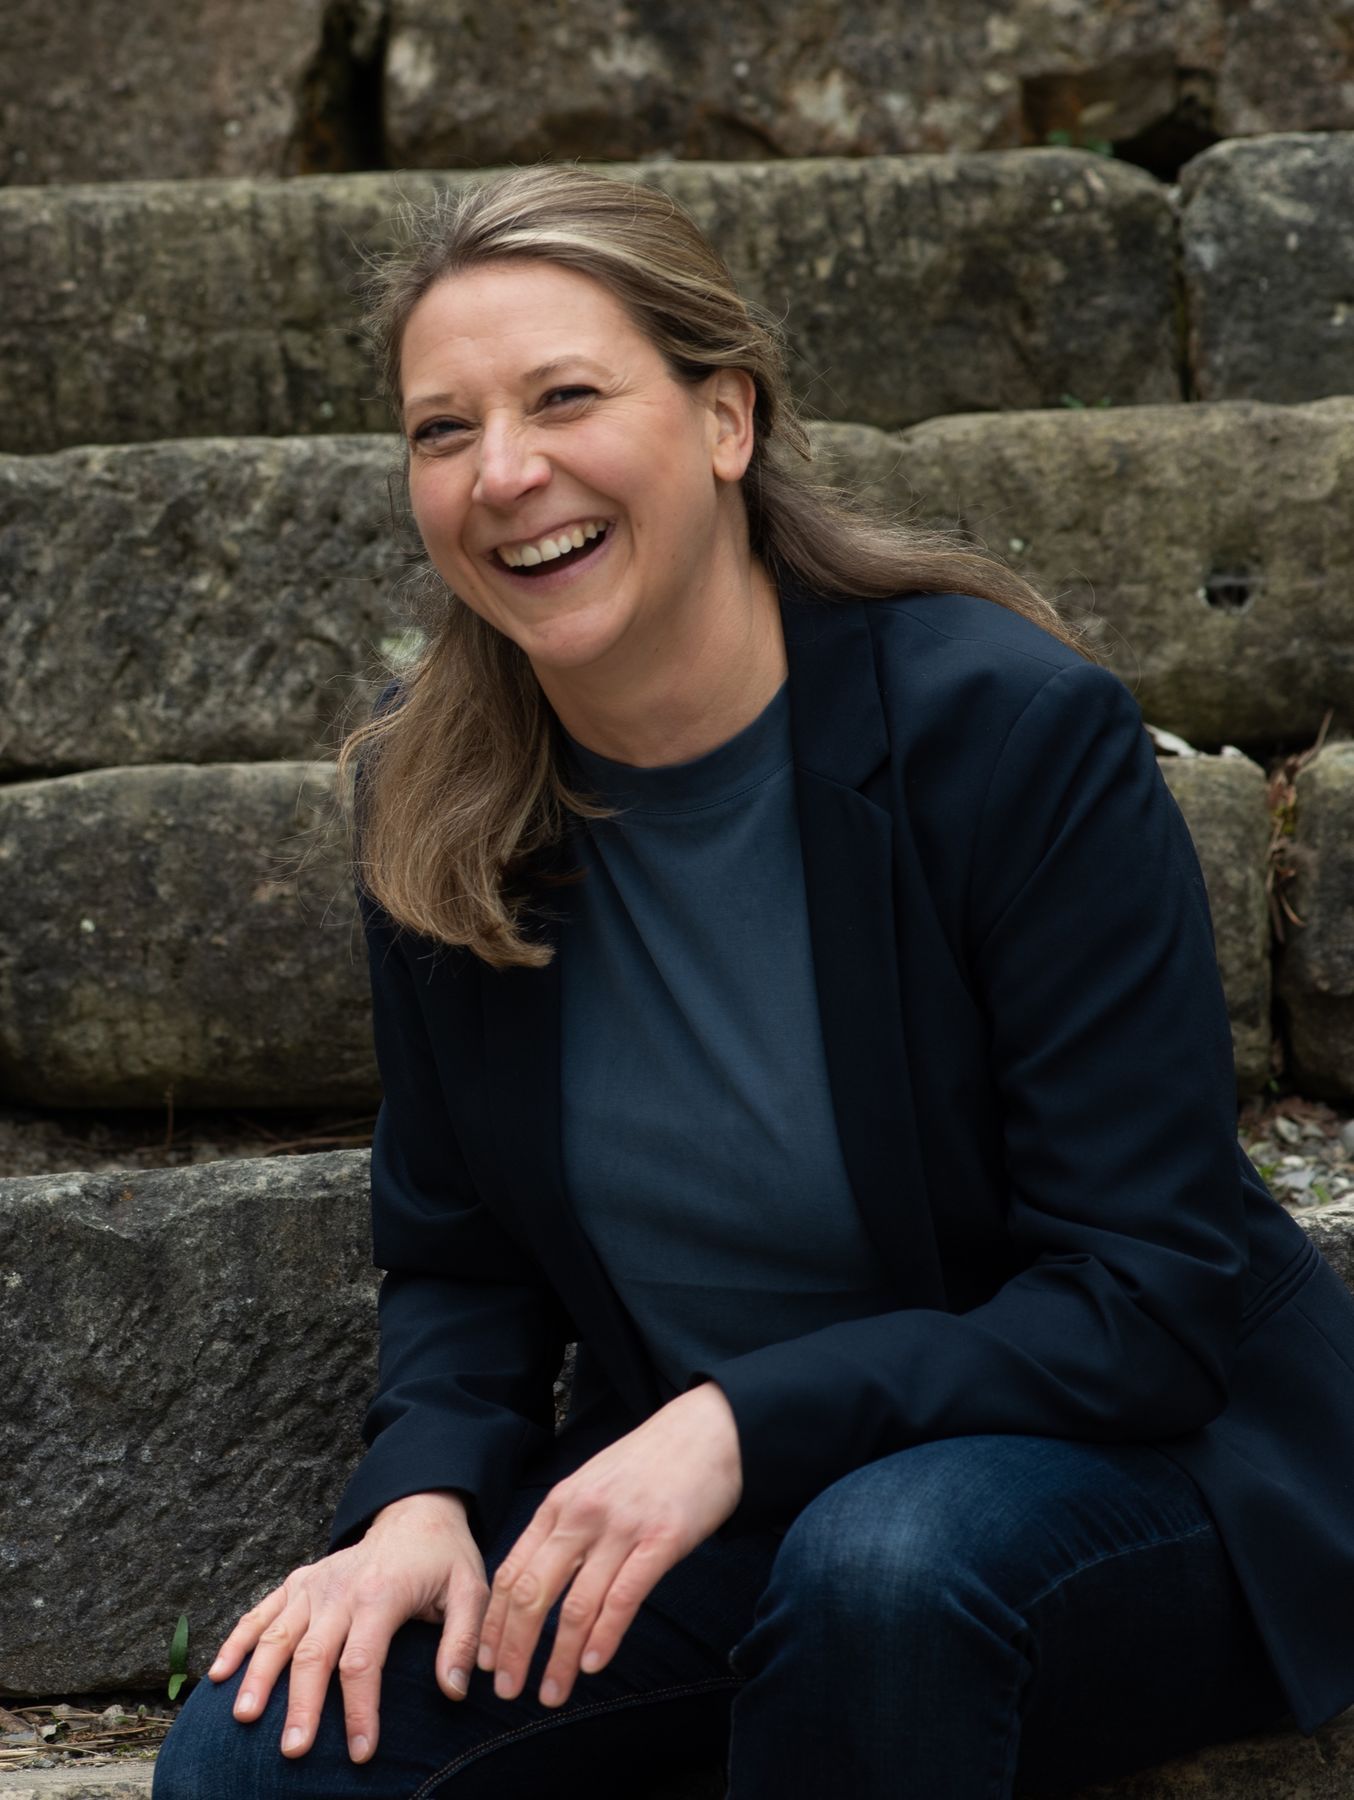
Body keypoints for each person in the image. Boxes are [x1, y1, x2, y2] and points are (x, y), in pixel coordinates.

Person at [154, 164, 1354, 1800]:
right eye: (442, 430)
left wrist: (731, 1424)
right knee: (262, 1758)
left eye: (564, 398)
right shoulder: (433, 790)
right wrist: (421, 1498)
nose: (503, 473)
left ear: (726, 420)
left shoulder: (1007, 735)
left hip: (1127, 1486)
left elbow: (1141, 1300)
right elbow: (460, 1256)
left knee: (883, 1566)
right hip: (719, 1519)